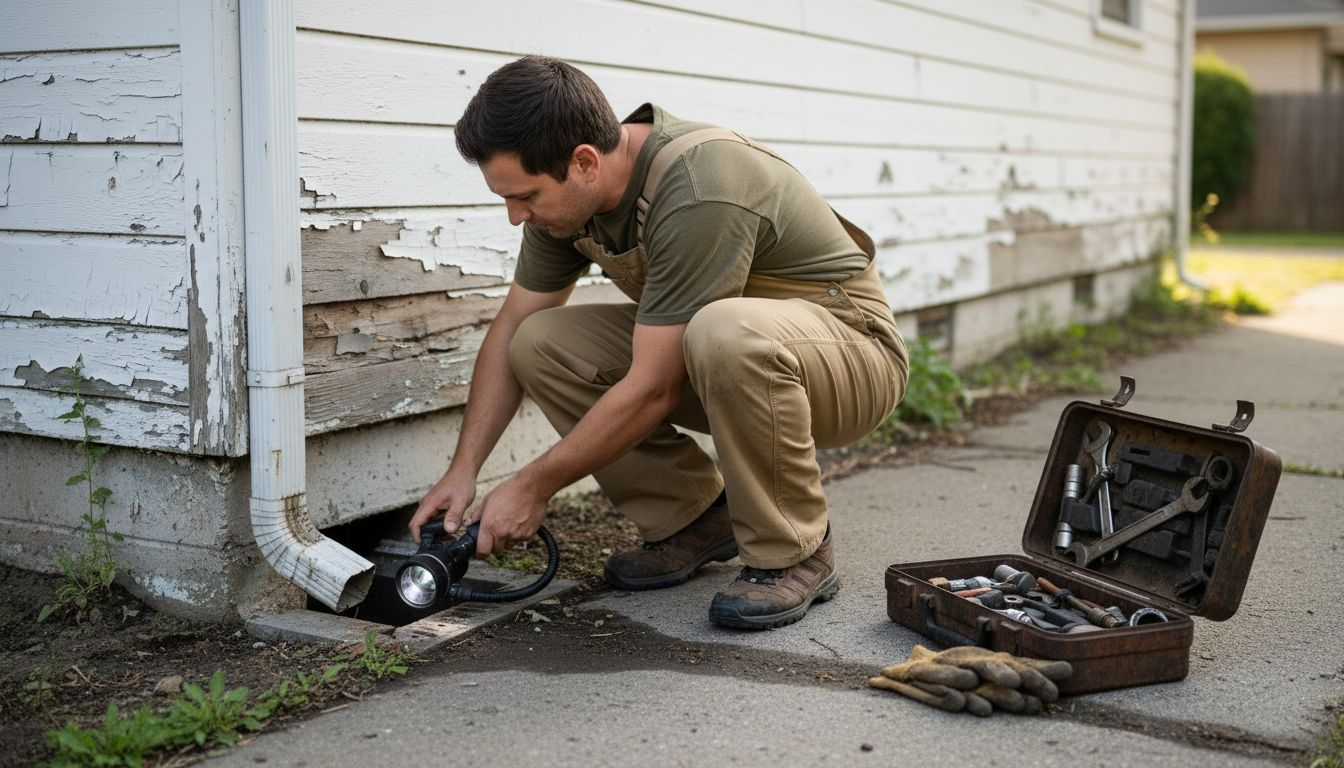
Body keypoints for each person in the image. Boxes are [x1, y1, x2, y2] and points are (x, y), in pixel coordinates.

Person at [409, 56, 909, 629]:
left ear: (584, 162)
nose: (514, 216)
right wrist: (464, 469)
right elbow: (509, 330)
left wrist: (531, 485)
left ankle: (794, 550)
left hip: (851, 354)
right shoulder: (565, 208)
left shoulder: (700, 186)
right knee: (537, 341)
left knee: (722, 331)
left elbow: (653, 388)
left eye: (524, 196)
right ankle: (693, 517)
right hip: (735, 357)